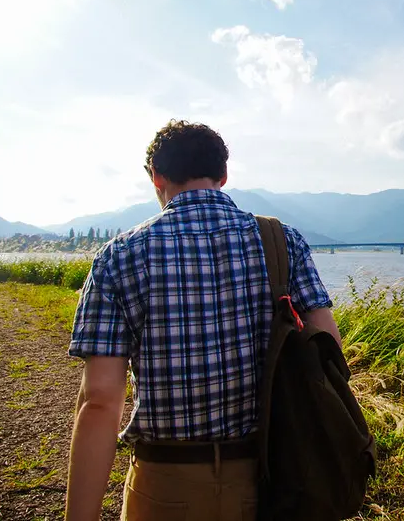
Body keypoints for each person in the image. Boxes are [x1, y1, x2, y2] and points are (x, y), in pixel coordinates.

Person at [64, 119, 342, 521]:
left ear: (156, 177)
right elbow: (329, 352)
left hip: (164, 486)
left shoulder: (119, 256)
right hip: (274, 478)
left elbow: (100, 402)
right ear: (223, 175)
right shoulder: (283, 242)